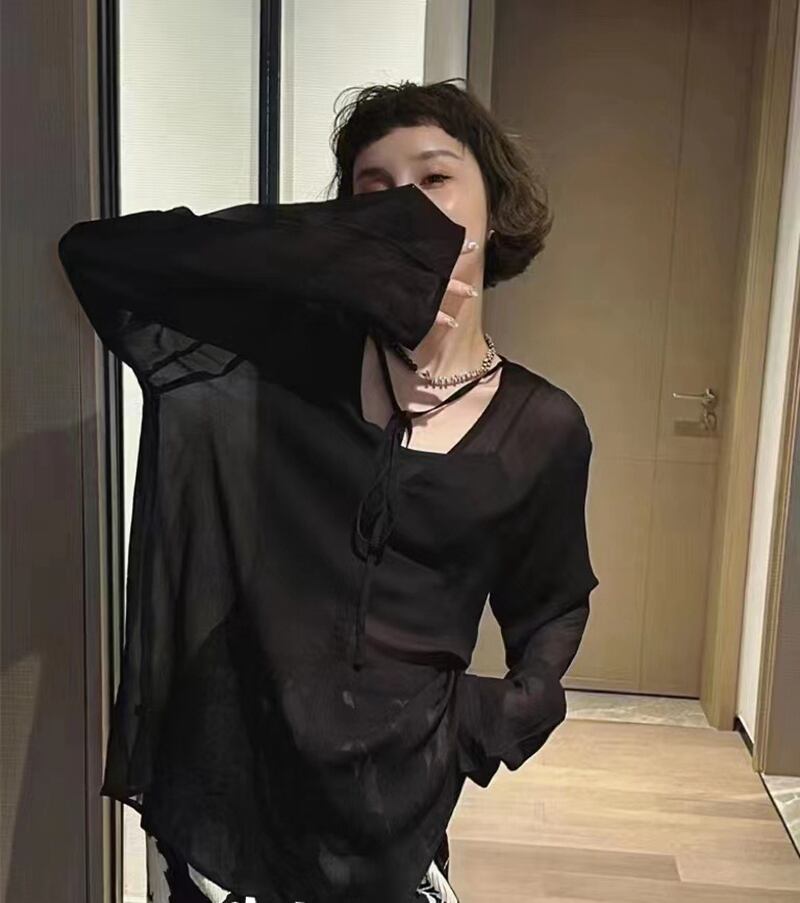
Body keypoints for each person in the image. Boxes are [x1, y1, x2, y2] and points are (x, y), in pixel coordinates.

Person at [57, 78, 599, 903]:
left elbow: (552, 603)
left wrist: (489, 719)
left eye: (435, 179)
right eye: (374, 194)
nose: (405, 212)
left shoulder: (541, 426)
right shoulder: (287, 358)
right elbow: (101, 257)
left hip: (391, 809)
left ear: (494, 210)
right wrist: (324, 255)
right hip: (228, 784)